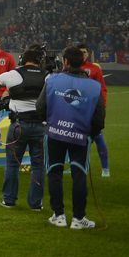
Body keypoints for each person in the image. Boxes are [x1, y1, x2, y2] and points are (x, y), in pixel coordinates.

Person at [37, 47, 105, 229]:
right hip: (80, 136)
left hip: (55, 134)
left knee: (54, 171)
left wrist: (49, 122)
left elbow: (40, 106)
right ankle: (78, 219)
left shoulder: (52, 80)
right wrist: (91, 133)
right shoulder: (94, 86)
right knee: (79, 174)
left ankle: (58, 216)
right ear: (82, 62)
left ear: (65, 61)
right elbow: (99, 117)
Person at [0, 45, 47, 211]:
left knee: (12, 164)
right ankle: (36, 203)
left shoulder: (13, 74)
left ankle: (9, 200)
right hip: (41, 126)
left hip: (18, 125)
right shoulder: (48, 77)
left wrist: (10, 90)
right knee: (38, 166)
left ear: (22, 59)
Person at [77, 44, 109, 177]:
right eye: (79, 52)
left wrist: (102, 106)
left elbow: (102, 89)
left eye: (84, 52)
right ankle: (80, 166)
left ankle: (105, 168)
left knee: (97, 136)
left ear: (88, 54)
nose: (82, 54)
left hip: (93, 109)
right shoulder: (70, 68)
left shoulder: (94, 69)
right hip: (77, 109)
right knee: (77, 139)